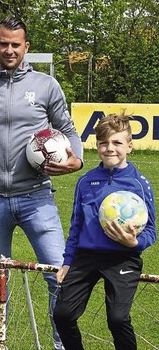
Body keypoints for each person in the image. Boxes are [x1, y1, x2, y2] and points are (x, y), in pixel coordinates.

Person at [0, 17, 84, 350]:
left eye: (16, 44)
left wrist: (76, 159)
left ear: (26, 47)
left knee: (58, 273)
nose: (9, 50)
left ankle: (62, 344)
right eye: (3, 43)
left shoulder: (46, 86)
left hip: (37, 197)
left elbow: (68, 131)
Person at [53, 113, 156, 349]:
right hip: (86, 256)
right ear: (97, 145)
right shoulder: (85, 181)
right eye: (103, 143)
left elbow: (151, 230)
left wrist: (134, 243)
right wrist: (68, 261)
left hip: (123, 257)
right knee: (62, 314)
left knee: (118, 319)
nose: (110, 148)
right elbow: (76, 226)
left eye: (117, 143)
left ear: (129, 146)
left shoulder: (140, 183)